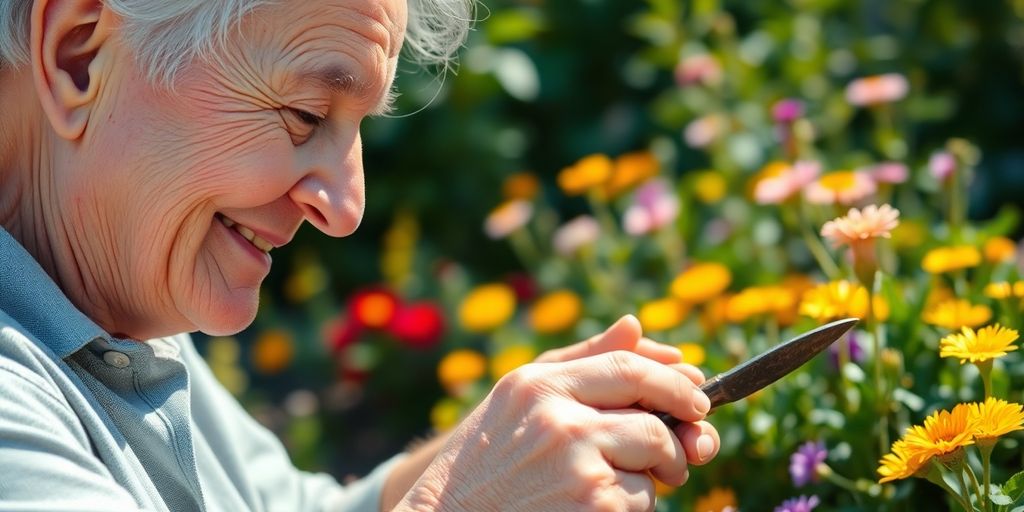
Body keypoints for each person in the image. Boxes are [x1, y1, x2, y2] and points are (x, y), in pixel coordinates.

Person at [0, 0, 721, 510]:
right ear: (78, 55)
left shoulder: (120, 308)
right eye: (306, 115)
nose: (345, 210)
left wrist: (513, 448)